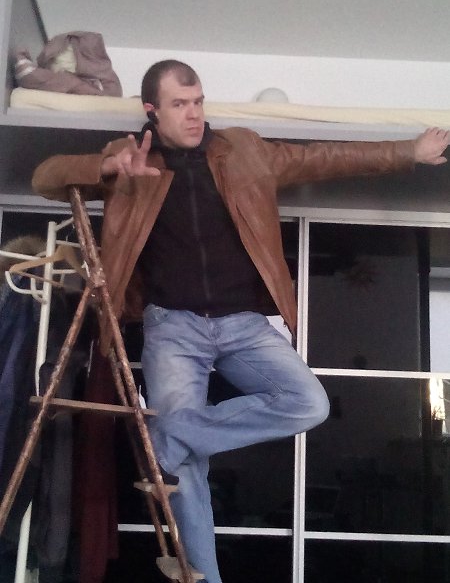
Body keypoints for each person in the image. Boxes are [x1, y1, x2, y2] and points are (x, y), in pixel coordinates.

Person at [32, 59, 449, 583]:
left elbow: (325, 156)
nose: (194, 114)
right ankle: (203, 572)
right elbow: (44, 177)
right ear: (152, 110)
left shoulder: (244, 150)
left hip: (246, 325)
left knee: (309, 403)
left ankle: (171, 435)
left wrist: (407, 152)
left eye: (198, 102)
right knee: (185, 466)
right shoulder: (128, 157)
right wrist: (108, 167)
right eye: (179, 104)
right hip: (173, 328)